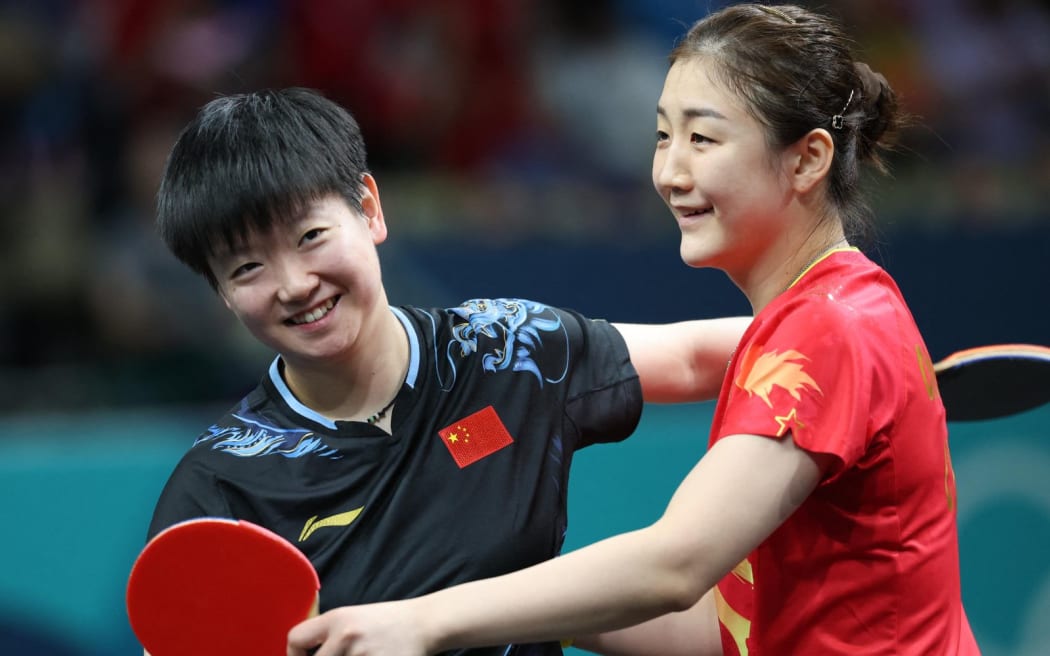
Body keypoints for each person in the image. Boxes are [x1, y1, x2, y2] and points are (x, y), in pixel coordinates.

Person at [284, 4, 981, 655]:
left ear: (807, 159)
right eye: (662, 135)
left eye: (703, 138)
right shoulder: (828, 316)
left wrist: (427, 621)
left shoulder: (828, 330)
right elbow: (721, 624)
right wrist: (452, 589)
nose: (670, 172)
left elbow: (674, 564)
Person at [143, 87, 749, 656]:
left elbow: (705, 356)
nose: (295, 285)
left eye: (310, 236)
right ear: (221, 292)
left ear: (370, 210)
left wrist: (843, 311)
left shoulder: (505, 353)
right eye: (247, 268)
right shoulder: (219, 488)